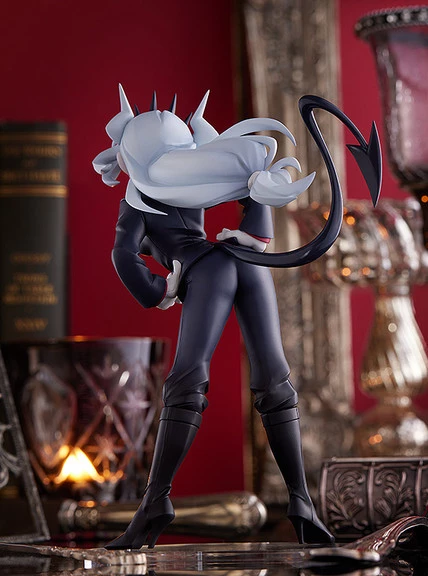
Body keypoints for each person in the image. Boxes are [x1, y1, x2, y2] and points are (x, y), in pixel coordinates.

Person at [93, 85, 380, 548]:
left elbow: (122, 256)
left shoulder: (138, 200)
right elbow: (253, 186)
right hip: (243, 263)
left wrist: (159, 291)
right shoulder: (183, 183)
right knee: (274, 378)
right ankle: (301, 501)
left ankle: (155, 502)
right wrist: (252, 238)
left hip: (208, 269)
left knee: (188, 380)